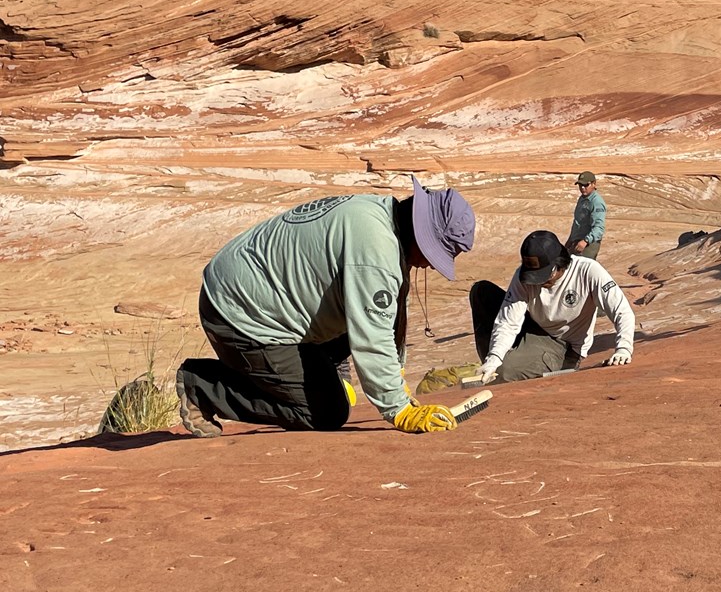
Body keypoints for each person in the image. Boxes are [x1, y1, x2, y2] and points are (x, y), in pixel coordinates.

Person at [175, 181, 476, 436]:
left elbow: (390, 312)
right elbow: (373, 336)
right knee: (326, 411)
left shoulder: (381, 213)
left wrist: (396, 374)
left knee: (362, 326)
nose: (430, 265)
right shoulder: (375, 250)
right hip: (239, 315)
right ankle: (203, 387)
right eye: (434, 254)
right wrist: (397, 408)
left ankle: (313, 374)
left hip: (251, 291)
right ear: (421, 236)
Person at [469, 230, 635, 383]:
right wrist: (494, 358)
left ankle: (503, 370)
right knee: (482, 292)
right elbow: (508, 321)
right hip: (536, 329)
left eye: (542, 276)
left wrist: (623, 349)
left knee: (505, 371)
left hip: (563, 346)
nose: (538, 283)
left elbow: (622, 311)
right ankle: (488, 370)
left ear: (558, 264)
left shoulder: (588, 271)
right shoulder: (522, 277)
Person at [566, 170, 606, 261]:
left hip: (588, 243)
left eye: (586, 185)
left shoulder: (596, 202)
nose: (583, 188)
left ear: (594, 184)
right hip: (577, 241)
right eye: (580, 185)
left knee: (582, 268)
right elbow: (577, 222)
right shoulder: (582, 198)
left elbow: (599, 228)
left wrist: (585, 241)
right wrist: (570, 240)